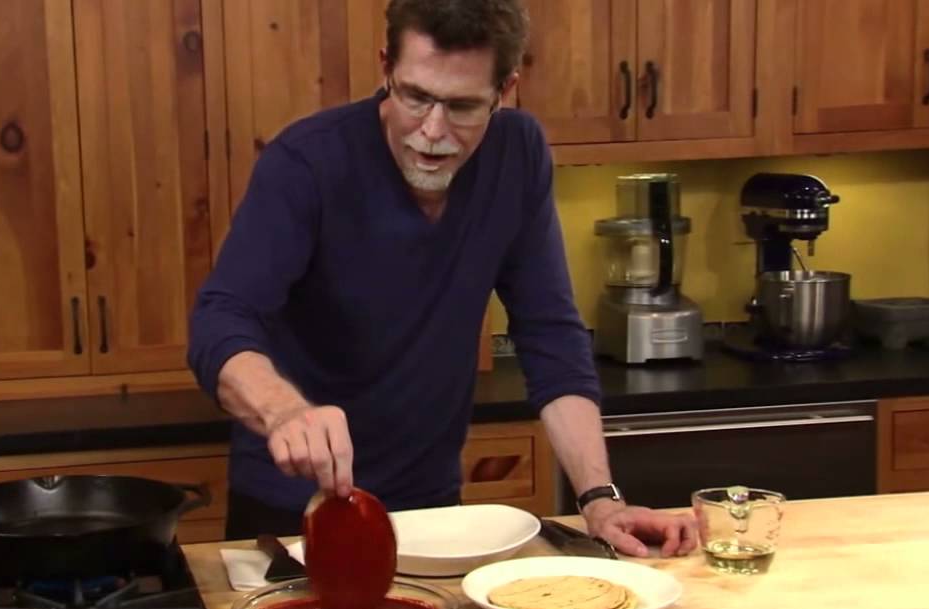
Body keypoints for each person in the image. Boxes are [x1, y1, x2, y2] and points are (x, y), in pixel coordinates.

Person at [187, 0, 698, 557]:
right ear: (386, 66)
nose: (432, 131)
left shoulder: (518, 155)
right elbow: (221, 318)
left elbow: (550, 334)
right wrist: (285, 411)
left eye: (462, 106)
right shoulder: (307, 161)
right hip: (291, 511)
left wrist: (600, 500)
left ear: (505, 91)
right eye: (415, 97)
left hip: (430, 510)